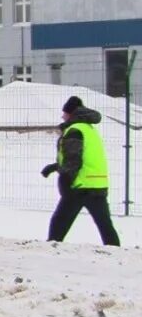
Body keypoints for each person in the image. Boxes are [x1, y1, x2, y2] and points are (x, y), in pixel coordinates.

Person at [40, 96, 120, 246]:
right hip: (97, 184)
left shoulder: (75, 130)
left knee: (59, 221)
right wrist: (54, 167)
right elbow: (80, 156)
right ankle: (116, 251)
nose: (63, 116)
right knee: (105, 225)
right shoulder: (89, 129)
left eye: (64, 113)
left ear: (71, 114)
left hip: (79, 186)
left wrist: (65, 179)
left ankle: (51, 248)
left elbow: (73, 160)